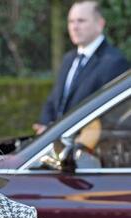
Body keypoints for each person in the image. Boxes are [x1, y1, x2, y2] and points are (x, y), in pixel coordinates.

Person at [33, 0, 129, 134]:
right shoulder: (68, 59)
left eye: (81, 21)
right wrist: (45, 127)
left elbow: (110, 118)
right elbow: (53, 101)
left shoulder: (115, 62)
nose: (74, 26)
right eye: (71, 21)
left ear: (100, 24)